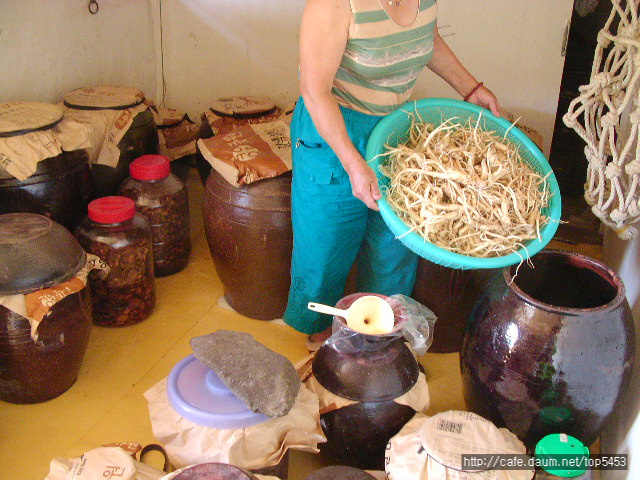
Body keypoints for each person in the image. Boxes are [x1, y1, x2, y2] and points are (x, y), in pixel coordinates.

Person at [283, 0, 500, 347]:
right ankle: (323, 335)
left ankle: (378, 339)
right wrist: (354, 163)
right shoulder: (333, 5)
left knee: (394, 244)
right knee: (326, 243)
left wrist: (470, 88)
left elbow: (423, 37)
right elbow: (315, 91)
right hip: (336, 129)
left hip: (394, 130)